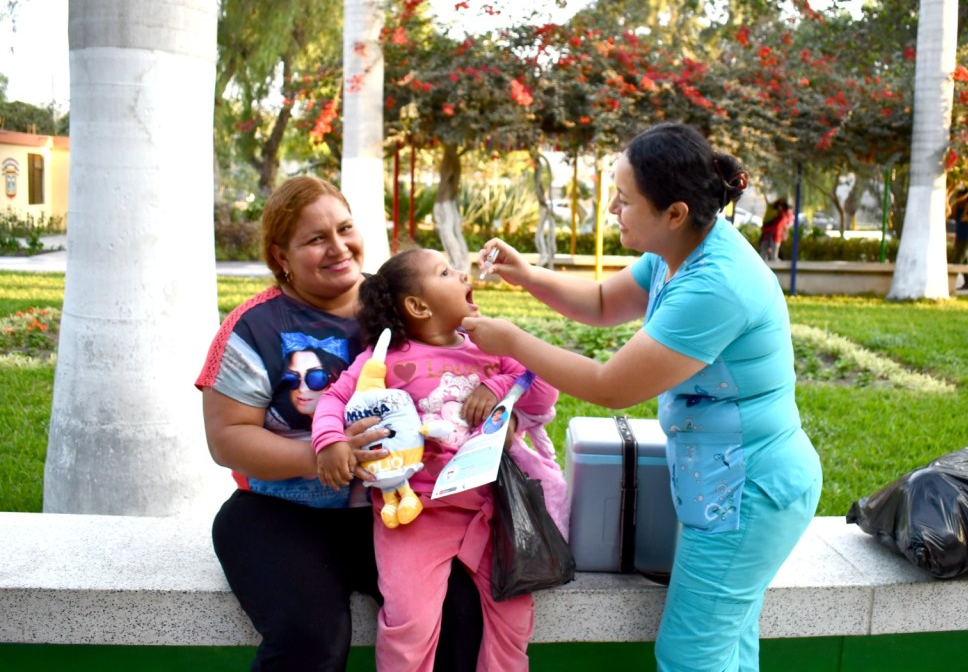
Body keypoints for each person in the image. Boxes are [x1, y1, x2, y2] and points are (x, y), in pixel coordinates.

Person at [461, 122, 822, 672]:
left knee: (690, 655)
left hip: (750, 493)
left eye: (625, 200)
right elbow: (603, 301)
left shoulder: (715, 286)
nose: (612, 209)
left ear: (674, 212)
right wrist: (528, 275)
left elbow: (612, 387)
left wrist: (513, 341)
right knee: (728, 646)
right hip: (728, 485)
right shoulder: (678, 248)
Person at [195, 177, 483, 671]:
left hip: (404, 514)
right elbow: (227, 439)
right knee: (313, 637)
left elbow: (475, 367)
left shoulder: (404, 301)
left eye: (345, 228)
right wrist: (324, 455)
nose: (338, 247)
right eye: (315, 239)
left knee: (461, 613)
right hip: (280, 514)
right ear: (281, 255)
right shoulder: (254, 327)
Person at [311, 248, 561, 672]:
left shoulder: (491, 349)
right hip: (415, 516)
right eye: (445, 272)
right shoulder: (385, 358)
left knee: (513, 617)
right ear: (419, 306)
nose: (462, 273)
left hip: (490, 510)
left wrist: (499, 383)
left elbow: (542, 393)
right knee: (409, 622)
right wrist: (330, 441)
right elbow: (335, 399)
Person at [950, 187, 968, 290]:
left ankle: (949, 282)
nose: (957, 197)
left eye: (959, 195)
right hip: (959, 236)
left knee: (957, 259)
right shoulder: (958, 207)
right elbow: (952, 216)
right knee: (964, 260)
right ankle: (967, 283)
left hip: (967, 236)